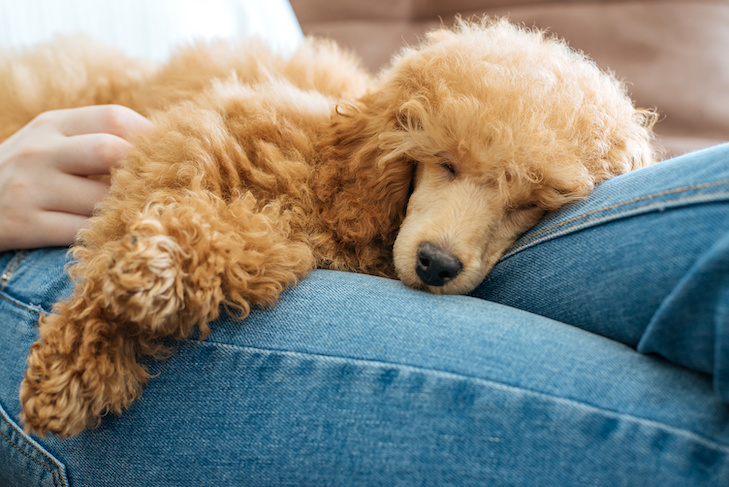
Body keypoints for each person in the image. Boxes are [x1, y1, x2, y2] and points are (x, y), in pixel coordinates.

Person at [1, 2, 728, 486]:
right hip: (60, 240)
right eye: (445, 163)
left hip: (339, 185)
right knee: (686, 445)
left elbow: (348, 127)